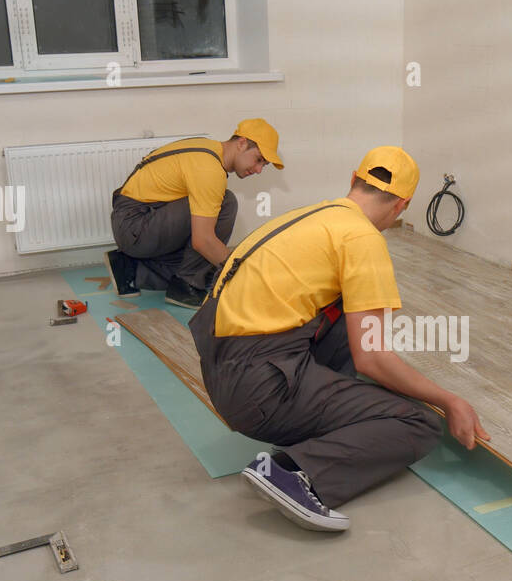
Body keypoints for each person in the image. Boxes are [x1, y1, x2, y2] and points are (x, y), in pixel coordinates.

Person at [189, 146, 489, 532]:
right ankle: (292, 473)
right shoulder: (362, 239)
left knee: (351, 316)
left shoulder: (310, 216)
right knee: (418, 423)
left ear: (353, 180)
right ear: (403, 204)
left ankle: (335, 422)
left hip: (221, 368)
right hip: (258, 389)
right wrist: (450, 400)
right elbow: (372, 360)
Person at [103, 118, 282, 309]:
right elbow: (202, 240)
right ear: (242, 143)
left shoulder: (208, 149)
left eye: (264, 165)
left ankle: (128, 267)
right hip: (134, 223)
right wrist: (243, 275)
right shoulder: (209, 169)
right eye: (259, 159)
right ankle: (186, 286)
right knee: (225, 204)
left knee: (204, 269)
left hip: (137, 220)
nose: (258, 170)